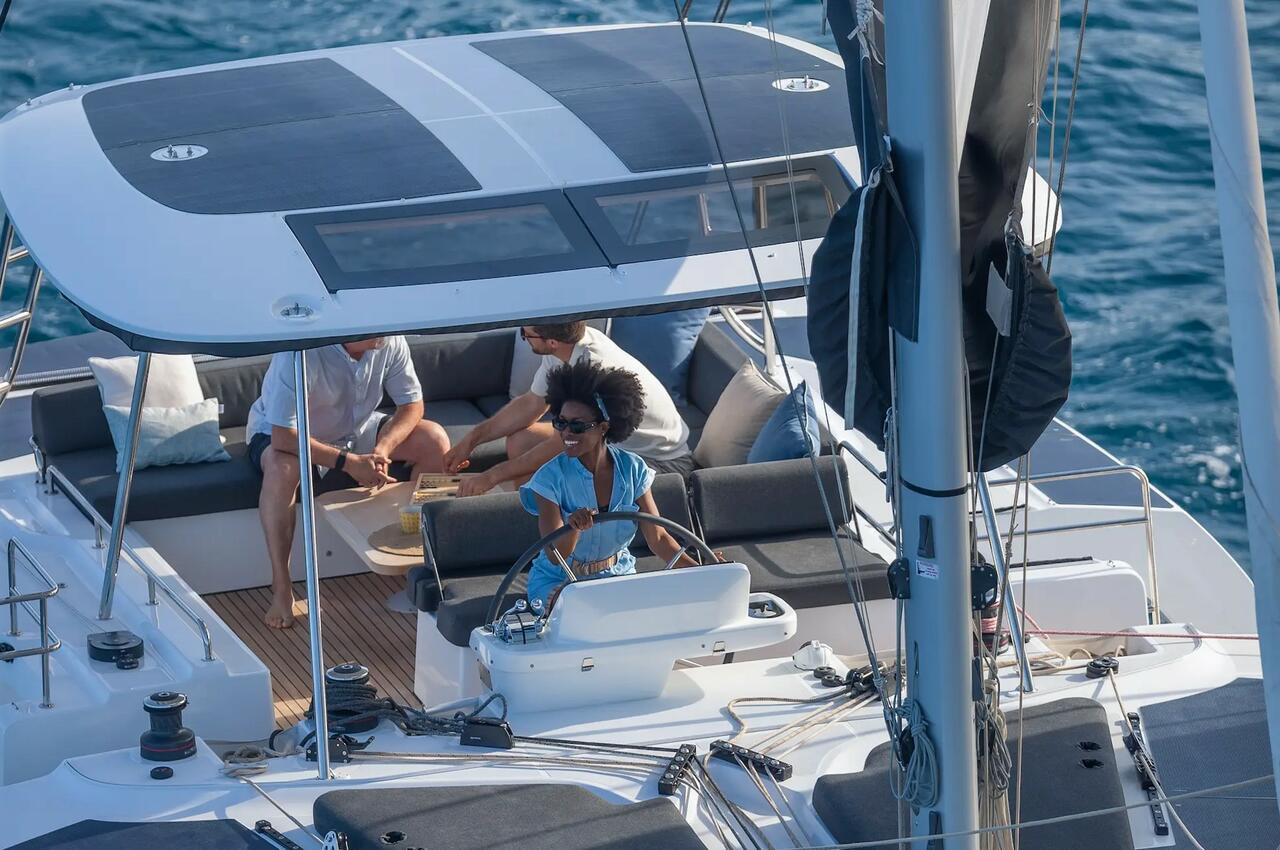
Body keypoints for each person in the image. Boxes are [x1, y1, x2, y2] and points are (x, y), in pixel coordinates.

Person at [245, 336, 450, 628]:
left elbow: (412, 405)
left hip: (357, 430)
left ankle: (418, 568)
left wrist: (383, 449)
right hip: (286, 434)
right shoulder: (297, 354)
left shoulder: (389, 339)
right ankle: (281, 585)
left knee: (434, 440)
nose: (387, 326)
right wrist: (349, 463)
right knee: (282, 469)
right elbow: (283, 437)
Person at [519, 359, 714, 611]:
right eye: (561, 423)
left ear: (603, 427)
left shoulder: (633, 469)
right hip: (559, 582)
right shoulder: (547, 478)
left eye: (577, 425)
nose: (566, 433)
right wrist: (573, 528)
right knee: (577, 614)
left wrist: (702, 573)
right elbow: (555, 555)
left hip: (617, 577)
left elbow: (658, 537)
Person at [445, 321, 693, 495]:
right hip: (611, 443)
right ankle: (529, 518)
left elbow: (563, 442)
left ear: (552, 341)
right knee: (522, 441)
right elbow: (532, 403)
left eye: (526, 334)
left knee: (567, 478)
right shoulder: (566, 349)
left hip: (660, 462)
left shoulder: (592, 370)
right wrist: (471, 440)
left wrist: (491, 476)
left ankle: (554, 531)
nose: (524, 336)